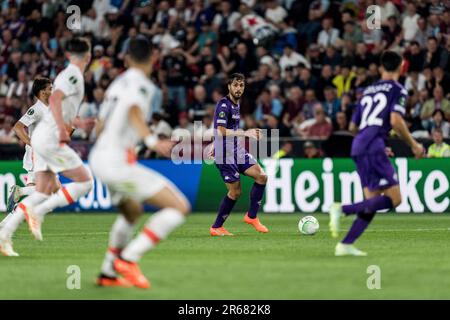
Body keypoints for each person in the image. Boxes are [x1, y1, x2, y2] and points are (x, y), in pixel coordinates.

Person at [89, 37, 190, 288]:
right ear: (154, 58)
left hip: (99, 157)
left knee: (132, 212)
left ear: (126, 58)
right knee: (179, 207)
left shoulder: (116, 83)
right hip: (116, 162)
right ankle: (129, 259)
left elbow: (100, 125)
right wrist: (152, 141)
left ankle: (107, 273)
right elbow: (134, 110)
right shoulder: (143, 85)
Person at [0, 38, 95, 256]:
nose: (52, 90)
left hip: (46, 141)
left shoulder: (64, 77)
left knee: (47, 192)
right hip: (45, 143)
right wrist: (61, 129)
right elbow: (54, 103)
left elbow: (59, 105)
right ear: (87, 56)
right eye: (48, 88)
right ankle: (33, 211)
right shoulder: (71, 76)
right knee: (84, 182)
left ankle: (6, 231)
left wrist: (76, 124)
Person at [328, 51, 425, 256]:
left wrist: (376, 143)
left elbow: (353, 126)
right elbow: (396, 121)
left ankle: (345, 245)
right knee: (396, 198)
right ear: (401, 67)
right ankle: (342, 209)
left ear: (381, 68)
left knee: (372, 200)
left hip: (360, 145)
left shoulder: (368, 91)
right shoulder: (398, 89)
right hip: (372, 145)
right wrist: (414, 145)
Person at [210, 73, 269, 236]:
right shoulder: (223, 105)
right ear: (229, 86)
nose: (238, 88)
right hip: (225, 154)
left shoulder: (237, 104)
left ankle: (252, 217)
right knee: (235, 192)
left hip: (236, 150)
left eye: (241, 85)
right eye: (235, 85)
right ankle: (216, 227)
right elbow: (221, 130)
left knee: (262, 176)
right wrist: (246, 133)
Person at [1, 77, 57, 232]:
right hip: (37, 155)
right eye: (50, 88)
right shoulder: (36, 109)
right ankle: (20, 193)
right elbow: (18, 127)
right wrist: (32, 143)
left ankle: (4, 226)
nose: (52, 90)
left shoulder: (50, 108)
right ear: (42, 91)